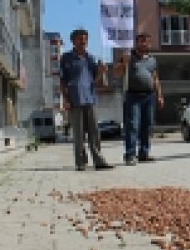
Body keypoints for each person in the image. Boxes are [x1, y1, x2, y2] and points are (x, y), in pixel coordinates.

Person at [59, 29, 112, 171]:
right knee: (79, 134)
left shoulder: (91, 58)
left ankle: (99, 160)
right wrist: (66, 99)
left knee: (94, 132)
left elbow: (96, 81)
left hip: (90, 98)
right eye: (79, 39)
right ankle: (80, 162)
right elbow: (63, 80)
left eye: (85, 39)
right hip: (75, 99)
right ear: (73, 41)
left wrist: (101, 72)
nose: (83, 42)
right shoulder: (66, 57)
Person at [113, 33, 164, 165]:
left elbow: (155, 78)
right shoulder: (129, 56)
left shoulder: (152, 60)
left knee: (147, 126)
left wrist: (159, 95)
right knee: (132, 126)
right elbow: (116, 73)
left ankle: (144, 153)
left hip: (149, 96)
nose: (144, 44)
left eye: (147, 42)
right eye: (141, 41)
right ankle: (130, 155)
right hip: (133, 96)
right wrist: (124, 63)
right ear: (136, 43)